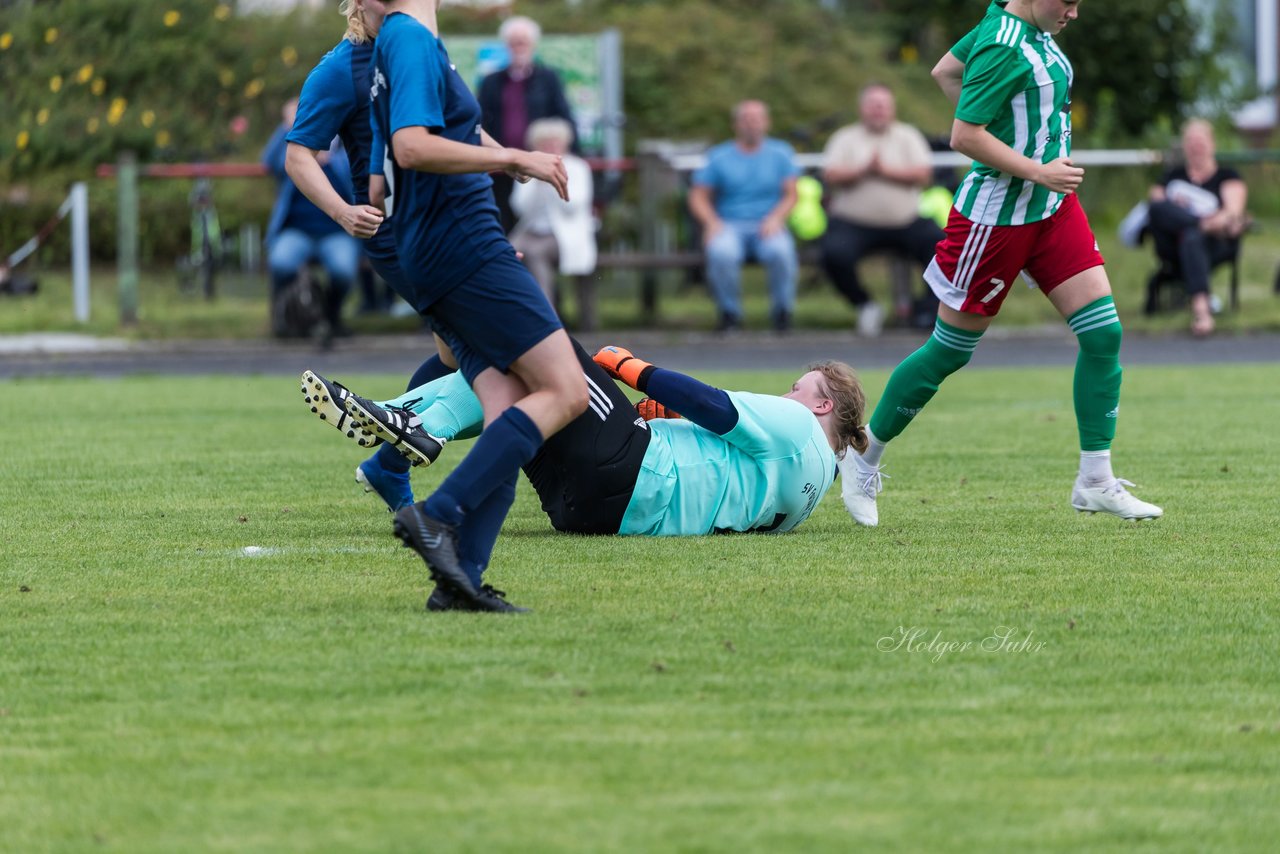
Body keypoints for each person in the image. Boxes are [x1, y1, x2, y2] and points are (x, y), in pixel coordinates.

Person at [841, 0, 1163, 527]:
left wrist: (1025, 160)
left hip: (1053, 210)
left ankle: (1095, 480)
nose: (1075, 13)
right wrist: (1033, 168)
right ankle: (863, 457)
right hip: (997, 221)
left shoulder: (1022, 26)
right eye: (1069, 1)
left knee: (1103, 334)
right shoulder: (1004, 42)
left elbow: (945, 69)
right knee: (948, 352)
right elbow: (964, 135)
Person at [300, 338, 867, 610]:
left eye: (800, 388)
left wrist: (631, 370)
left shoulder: (797, 427)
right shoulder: (806, 497)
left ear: (822, 407)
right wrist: (652, 413)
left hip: (632, 468)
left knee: (543, 348)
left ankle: (407, 428)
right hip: (597, 513)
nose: (788, 394)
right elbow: (719, 461)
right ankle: (393, 455)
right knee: (520, 386)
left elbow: (713, 404)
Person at [370, 0, 588, 613]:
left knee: (510, 408)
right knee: (566, 391)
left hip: (438, 248)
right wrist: (514, 156)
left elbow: (389, 170)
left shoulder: (403, 41)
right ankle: (436, 516)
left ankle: (459, 578)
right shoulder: (410, 39)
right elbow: (412, 147)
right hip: (464, 246)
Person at [285, 0, 458, 515]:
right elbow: (299, 155)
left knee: (461, 357)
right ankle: (397, 453)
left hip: (442, 224)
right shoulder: (341, 68)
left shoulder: (419, 48)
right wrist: (342, 212)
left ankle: (390, 455)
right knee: (483, 354)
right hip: (395, 232)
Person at [820, 84, 944, 337]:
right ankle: (864, 303)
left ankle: (927, 311)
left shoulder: (908, 136)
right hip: (854, 222)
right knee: (833, 253)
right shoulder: (845, 138)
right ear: (862, 108)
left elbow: (923, 174)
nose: (878, 110)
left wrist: (884, 170)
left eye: (883, 105)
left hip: (905, 221)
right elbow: (830, 174)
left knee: (941, 246)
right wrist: (863, 170)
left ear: (892, 108)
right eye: (873, 105)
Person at [688, 100, 801, 333]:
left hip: (768, 223)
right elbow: (698, 195)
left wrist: (777, 218)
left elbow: (792, 194)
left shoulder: (781, 153)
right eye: (746, 119)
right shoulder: (719, 156)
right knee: (721, 252)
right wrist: (711, 222)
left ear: (767, 122)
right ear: (736, 124)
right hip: (729, 223)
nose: (752, 124)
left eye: (757, 118)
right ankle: (729, 314)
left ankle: (782, 312)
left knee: (781, 251)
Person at [263, 97, 361, 338]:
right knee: (281, 262)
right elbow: (269, 162)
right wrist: (287, 128)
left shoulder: (342, 147)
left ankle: (330, 317)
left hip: (336, 232)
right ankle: (282, 319)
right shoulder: (293, 151)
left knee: (343, 270)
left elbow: (358, 172)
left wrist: (330, 156)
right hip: (296, 231)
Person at [1147, 119, 1249, 337]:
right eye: (1191, 142)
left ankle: (1202, 312)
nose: (1196, 147)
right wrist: (1201, 220)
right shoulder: (1173, 177)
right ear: (1184, 146)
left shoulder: (1227, 176)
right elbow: (1157, 205)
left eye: (1200, 141)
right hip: (1174, 243)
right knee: (1170, 218)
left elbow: (1232, 214)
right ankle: (1196, 225)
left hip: (1216, 244)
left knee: (1192, 237)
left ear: (1212, 144)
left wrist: (1205, 221)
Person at [477, 15, 578, 233]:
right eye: (514, 42)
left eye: (523, 42)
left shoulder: (548, 78)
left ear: (532, 44)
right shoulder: (491, 81)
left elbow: (563, 115)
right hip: (501, 166)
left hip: (536, 162)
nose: (519, 47)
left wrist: (572, 153)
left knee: (533, 222)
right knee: (502, 219)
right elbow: (480, 121)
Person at [509, 117, 597, 308]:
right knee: (505, 252)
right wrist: (536, 182)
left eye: (555, 142)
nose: (551, 147)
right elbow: (519, 208)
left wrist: (551, 182)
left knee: (535, 253)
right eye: (545, 143)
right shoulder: (528, 167)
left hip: (566, 234)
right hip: (531, 230)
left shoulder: (578, 167)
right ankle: (513, 312)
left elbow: (573, 206)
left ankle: (546, 313)